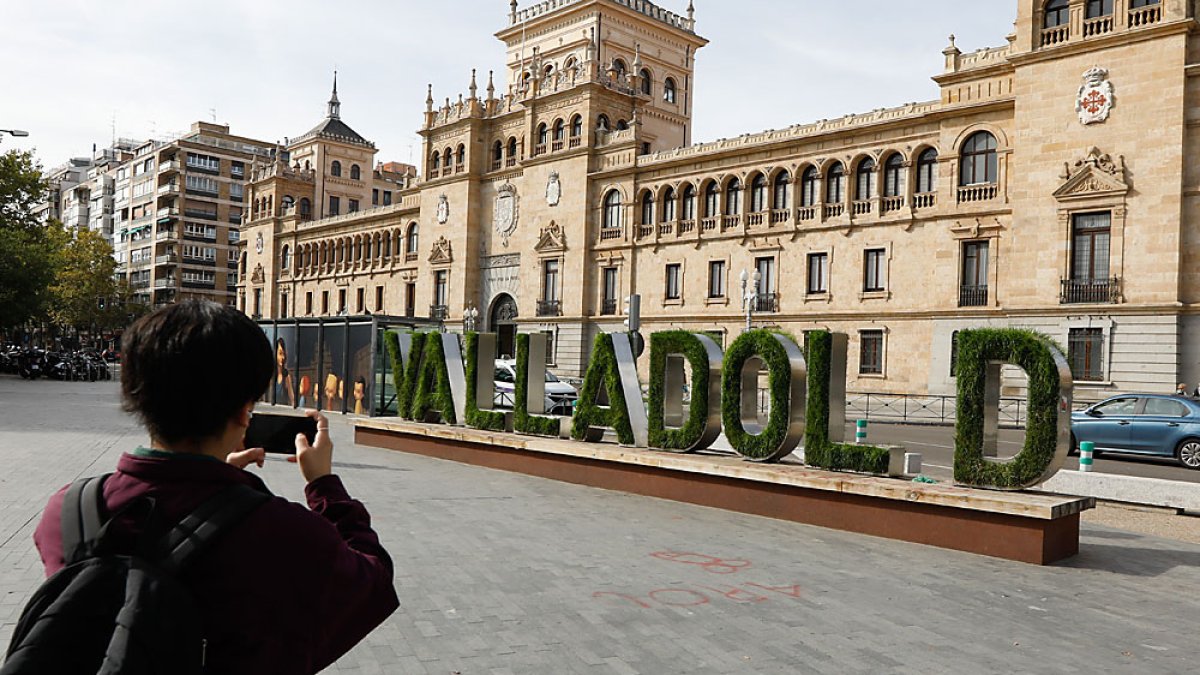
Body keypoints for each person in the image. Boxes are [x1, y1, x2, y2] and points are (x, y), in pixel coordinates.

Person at [29, 300, 398, 673]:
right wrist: (324, 484)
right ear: (244, 411)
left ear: (135, 395)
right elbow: (374, 583)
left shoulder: (66, 512)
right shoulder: (281, 532)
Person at [275, 337, 296, 407]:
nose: (282, 357)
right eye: (280, 353)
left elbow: (292, 399)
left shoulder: (286, 376)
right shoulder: (271, 376)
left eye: (283, 354)